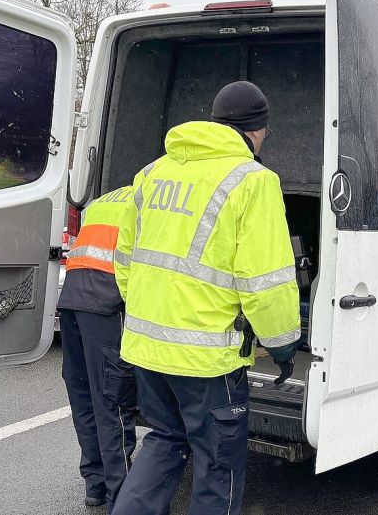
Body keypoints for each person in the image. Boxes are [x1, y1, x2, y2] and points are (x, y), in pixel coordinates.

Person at [112, 81, 300, 514]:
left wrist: (151, 314)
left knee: (164, 440)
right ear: (256, 131)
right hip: (207, 358)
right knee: (218, 465)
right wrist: (282, 341)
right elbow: (265, 281)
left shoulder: (152, 172)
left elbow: (126, 260)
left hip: (146, 347)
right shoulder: (253, 181)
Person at [57, 186, 138, 511]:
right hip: (107, 301)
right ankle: (123, 495)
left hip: (73, 300)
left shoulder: (108, 199)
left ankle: (96, 484)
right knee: (113, 401)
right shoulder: (151, 199)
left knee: (85, 397)